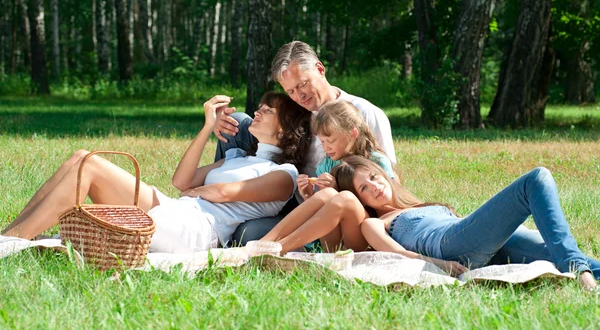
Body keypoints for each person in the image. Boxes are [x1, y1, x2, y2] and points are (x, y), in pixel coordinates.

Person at [2, 93, 312, 253]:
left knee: (92, 166)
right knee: (82, 158)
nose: (256, 111)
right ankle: (10, 237)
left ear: (284, 128)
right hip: (179, 210)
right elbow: (181, 181)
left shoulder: (283, 174)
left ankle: (13, 242)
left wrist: (196, 193)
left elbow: (224, 193)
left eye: (267, 110)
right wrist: (206, 127)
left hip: (198, 229)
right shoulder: (236, 157)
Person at [213, 41, 396, 243]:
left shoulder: (365, 114)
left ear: (320, 69)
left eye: (303, 84)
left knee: (249, 233)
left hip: (325, 210)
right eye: (290, 91)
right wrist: (220, 123)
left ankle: (228, 228)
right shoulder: (296, 111)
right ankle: (213, 208)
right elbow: (267, 129)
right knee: (237, 122)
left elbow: (386, 184)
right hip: (287, 190)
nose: (300, 96)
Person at [334, 155, 599, 291]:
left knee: (553, 250)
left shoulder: (418, 205)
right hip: (449, 245)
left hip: (478, 242)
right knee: (536, 179)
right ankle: (580, 272)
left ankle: (584, 269)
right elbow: (400, 254)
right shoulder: (376, 223)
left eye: (373, 177)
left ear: (383, 174)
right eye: (364, 188)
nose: (375, 187)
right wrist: (439, 264)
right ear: (361, 199)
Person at [260, 100, 397, 252]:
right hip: (333, 244)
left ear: (353, 133)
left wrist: (337, 192)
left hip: (368, 234)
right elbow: (326, 216)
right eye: (322, 141)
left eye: (331, 141)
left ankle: (275, 248)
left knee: (335, 195)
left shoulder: (376, 161)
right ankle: (263, 244)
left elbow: (390, 203)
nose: (326, 147)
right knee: (329, 194)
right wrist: (309, 196)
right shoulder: (325, 166)